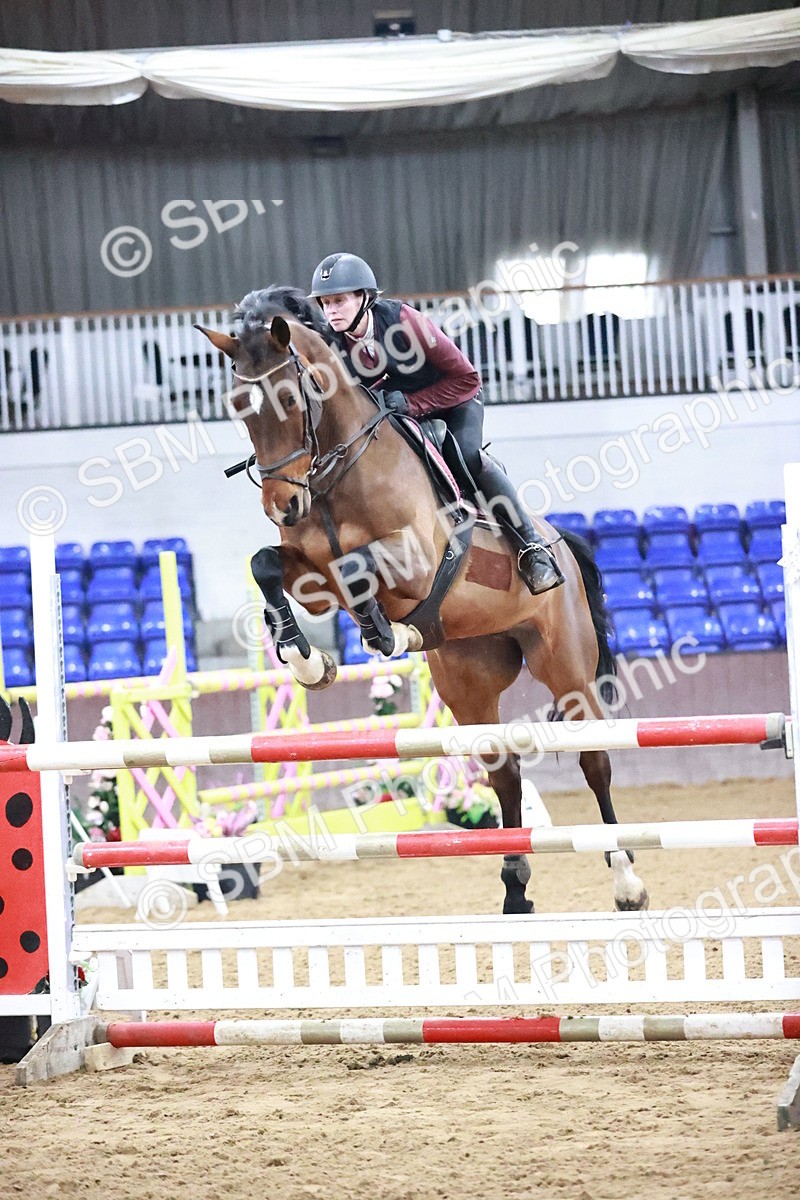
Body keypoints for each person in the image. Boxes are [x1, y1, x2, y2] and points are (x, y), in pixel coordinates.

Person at [309, 251, 564, 595]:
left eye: (339, 301)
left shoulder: (405, 323)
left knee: (469, 456)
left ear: (365, 298)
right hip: (396, 416)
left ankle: (532, 548)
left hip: (454, 402)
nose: (331, 312)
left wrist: (414, 403)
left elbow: (467, 379)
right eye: (325, 303)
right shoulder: (332, 345)